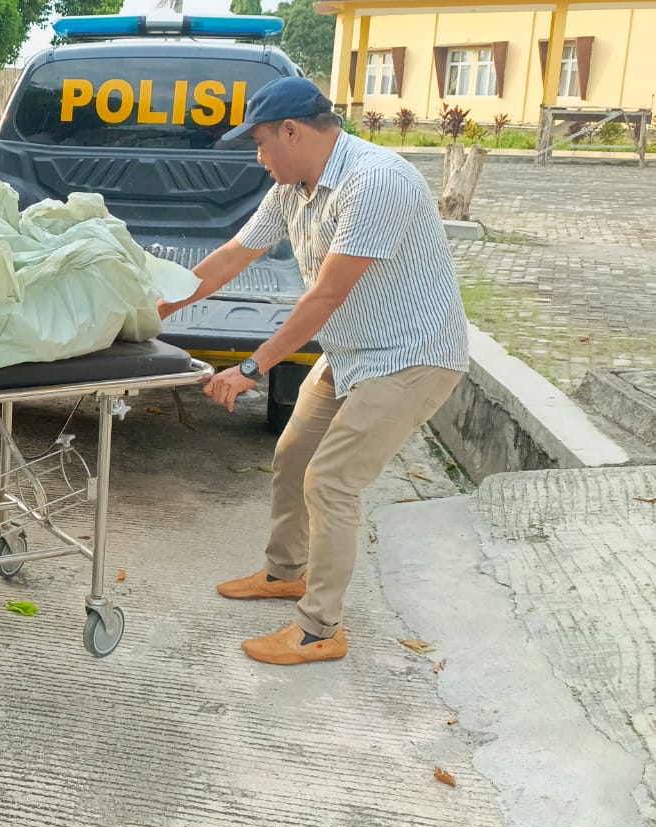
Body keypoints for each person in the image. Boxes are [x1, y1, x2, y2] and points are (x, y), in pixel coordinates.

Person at [156, 77, 468, 666]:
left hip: (411, 356)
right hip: (352, 351)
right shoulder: (294, 187)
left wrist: (251, 366)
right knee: (293, 455)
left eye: (260, 143)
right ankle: (284, 572)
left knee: (331, 480)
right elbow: (232, 256)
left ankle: (321, 628)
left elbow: (324, 296)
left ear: (292, 132)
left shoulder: (376, 183)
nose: (257, 156)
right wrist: (158, 307)